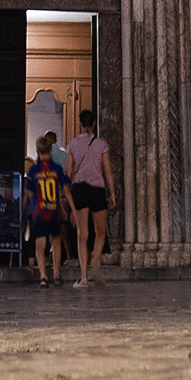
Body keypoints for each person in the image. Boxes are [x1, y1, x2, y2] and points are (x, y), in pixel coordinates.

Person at [65, 109, 114, 289]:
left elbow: (68, 173)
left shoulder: (72, 145)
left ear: (80, 123)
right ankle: (95, 266)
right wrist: (113, 193)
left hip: (79, 189)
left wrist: (66, 195)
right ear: (93, 124)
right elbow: (107, 170)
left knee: (82, 235)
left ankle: (84, 277)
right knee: (100, 231)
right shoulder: (101, 144)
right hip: (97, 190)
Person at [22, 133, 69, 286]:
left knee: (40, 245)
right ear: (50, 150)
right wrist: (69, 208)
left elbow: (29, 191)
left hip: (39, 211)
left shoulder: (33, 171)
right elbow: (65, 188)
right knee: (56, 242)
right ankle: (56, 274)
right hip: (53, 210)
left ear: (37, 151)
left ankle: (43, 277)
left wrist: (34, 200)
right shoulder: (57, 168)